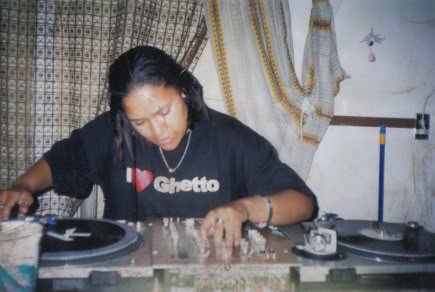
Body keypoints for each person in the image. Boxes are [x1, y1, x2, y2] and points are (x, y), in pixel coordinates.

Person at [0, 46, 318, 250]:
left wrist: (245, 208)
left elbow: (303, 203)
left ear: (182, 91)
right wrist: (23, 185)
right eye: (139, 122)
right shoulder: (112, 131)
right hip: (125, 275)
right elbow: (61, 160)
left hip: (210, 276)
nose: (157, 131)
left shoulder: (230, 138)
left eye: (164, 112)